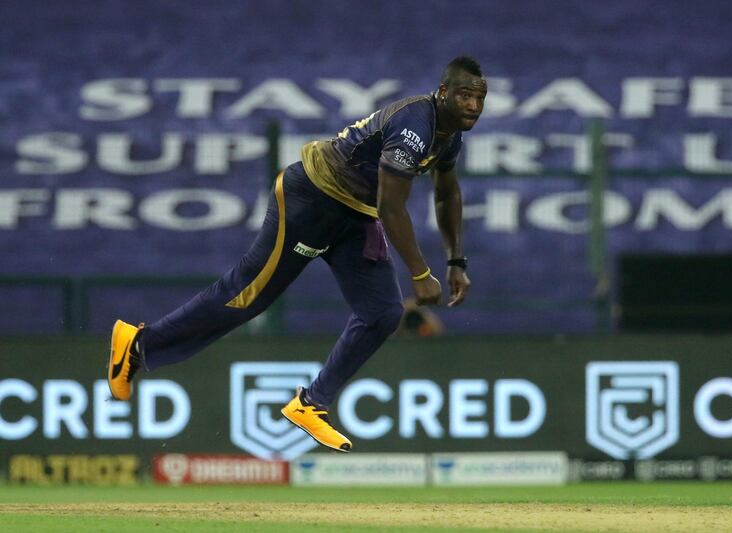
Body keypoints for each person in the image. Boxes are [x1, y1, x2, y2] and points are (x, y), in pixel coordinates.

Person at [107, 56, 487, 452]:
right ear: (442, 92)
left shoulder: (449, 135)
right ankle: (137, 344)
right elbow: (392, 205)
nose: (473, 106)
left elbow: (446, 192)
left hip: (356, 214)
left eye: (479, 98)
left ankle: (311, 404)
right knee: (247, 296)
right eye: (464, 95)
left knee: (383, 312)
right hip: (314, 196)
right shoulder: (414, 124)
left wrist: (456, 261)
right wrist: (420, 271)